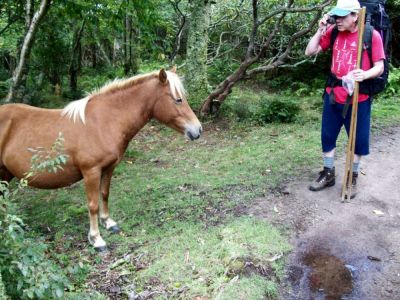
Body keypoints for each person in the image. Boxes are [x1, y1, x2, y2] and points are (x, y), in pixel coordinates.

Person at [305, 0, 385, 198]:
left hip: (359, 97)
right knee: (327, 137)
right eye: (336, 16)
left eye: (342, 16)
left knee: (357, 141)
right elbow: (309, 52)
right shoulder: (333, 31)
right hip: (333, 94)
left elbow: (380, 66)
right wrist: (320, 30)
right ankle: (328, 173)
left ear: (355, 16)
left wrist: (364, 75)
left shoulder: (370, 35)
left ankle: (352, 177)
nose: (338, 20)